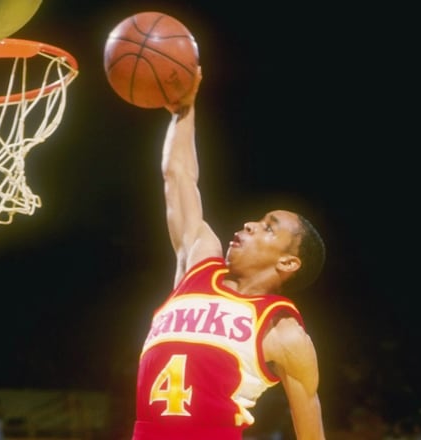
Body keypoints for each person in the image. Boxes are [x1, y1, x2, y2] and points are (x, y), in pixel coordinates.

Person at [130, 66, 328, 440]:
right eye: (256, 220)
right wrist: (183, 111)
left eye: (269, 227)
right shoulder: (200, 261)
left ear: (288, 262)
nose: (251, 225)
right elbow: (178, 177)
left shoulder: (284, 333)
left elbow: (311, 428)